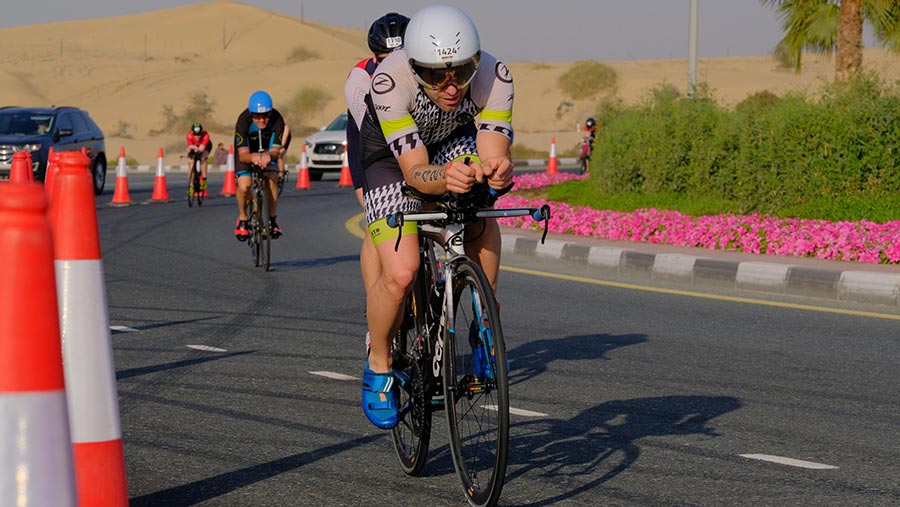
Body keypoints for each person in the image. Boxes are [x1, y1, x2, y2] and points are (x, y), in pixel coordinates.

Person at [358, 4, 514, 429]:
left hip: (451, 140)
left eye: (461, 72)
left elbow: (492, 152)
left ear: (475, 61)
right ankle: (379, 362)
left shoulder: (495, 75)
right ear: (414, 67)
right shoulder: (389, 80)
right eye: (435, 75)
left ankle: (485, 322)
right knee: (402, 273)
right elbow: (414, 173)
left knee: (479, 198)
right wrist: (444, 177)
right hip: (391, 159)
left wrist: (496, 171)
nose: (451, 86)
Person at [344, 11, 409, 357]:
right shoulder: (360, 80)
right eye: (386, 59)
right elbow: (379, 139)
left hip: (414, 137)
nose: (394, 65)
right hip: (372, 143)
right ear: (374, 58)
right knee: (377, 222)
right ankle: (376, 307)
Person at [233, 90, 286, 240]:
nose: (261, 120)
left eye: (266, 115)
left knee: (271, 178)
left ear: (271, 113)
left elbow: (275, 152)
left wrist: (268, 156)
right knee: (244, 186)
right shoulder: (243, 121)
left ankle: (272, 220)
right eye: (257, 116)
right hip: (247, 152)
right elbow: (243, 156)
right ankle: (243, 219)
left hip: (267, 152)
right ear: (251, 114)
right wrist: (254, 157)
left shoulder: (277, 120)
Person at [186, 122, 212, 193]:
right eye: (195, 135)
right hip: (194, 146)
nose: (197, 137)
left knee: (203, 158)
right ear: (192, 133)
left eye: (199, 134)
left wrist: (197, 150)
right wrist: (191, 150)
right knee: (191, 163)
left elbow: (201, 148)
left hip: (205, 146)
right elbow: (190, 146)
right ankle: (191, 185)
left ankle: (204, 180)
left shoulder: (206, 135)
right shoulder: (189, 135)